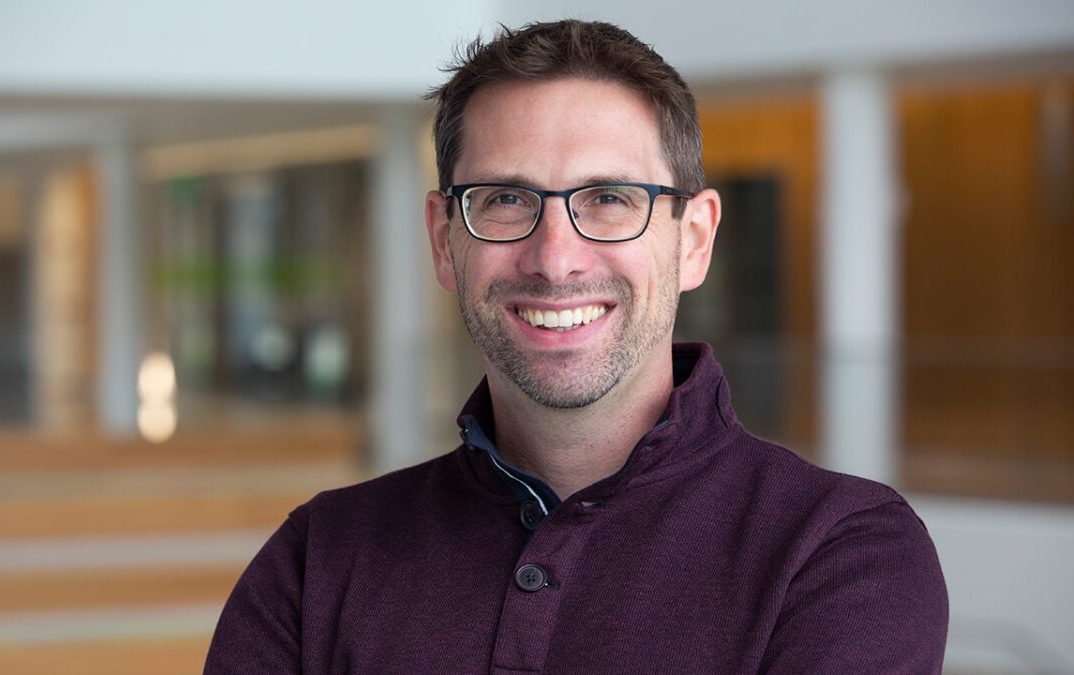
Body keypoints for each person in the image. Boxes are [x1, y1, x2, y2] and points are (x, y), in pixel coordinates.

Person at [205, 20, 948, 674]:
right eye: (504, 199)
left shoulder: (840, 556)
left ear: (693, 241)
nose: (556, 259)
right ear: (443, 239)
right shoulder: (318, 560)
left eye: (610, 199)